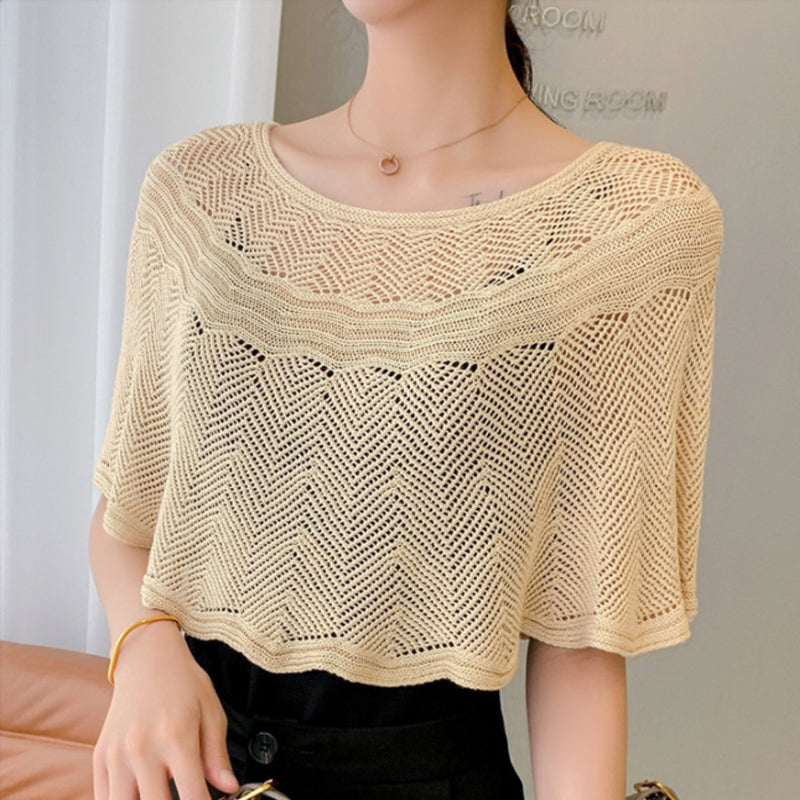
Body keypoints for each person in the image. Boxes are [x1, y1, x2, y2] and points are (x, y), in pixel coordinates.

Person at [88, 1, 723, 799]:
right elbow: (125, 517)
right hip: (190, 770)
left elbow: (581, 634)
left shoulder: (630, 229)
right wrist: (144, 648)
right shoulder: (202, 192)